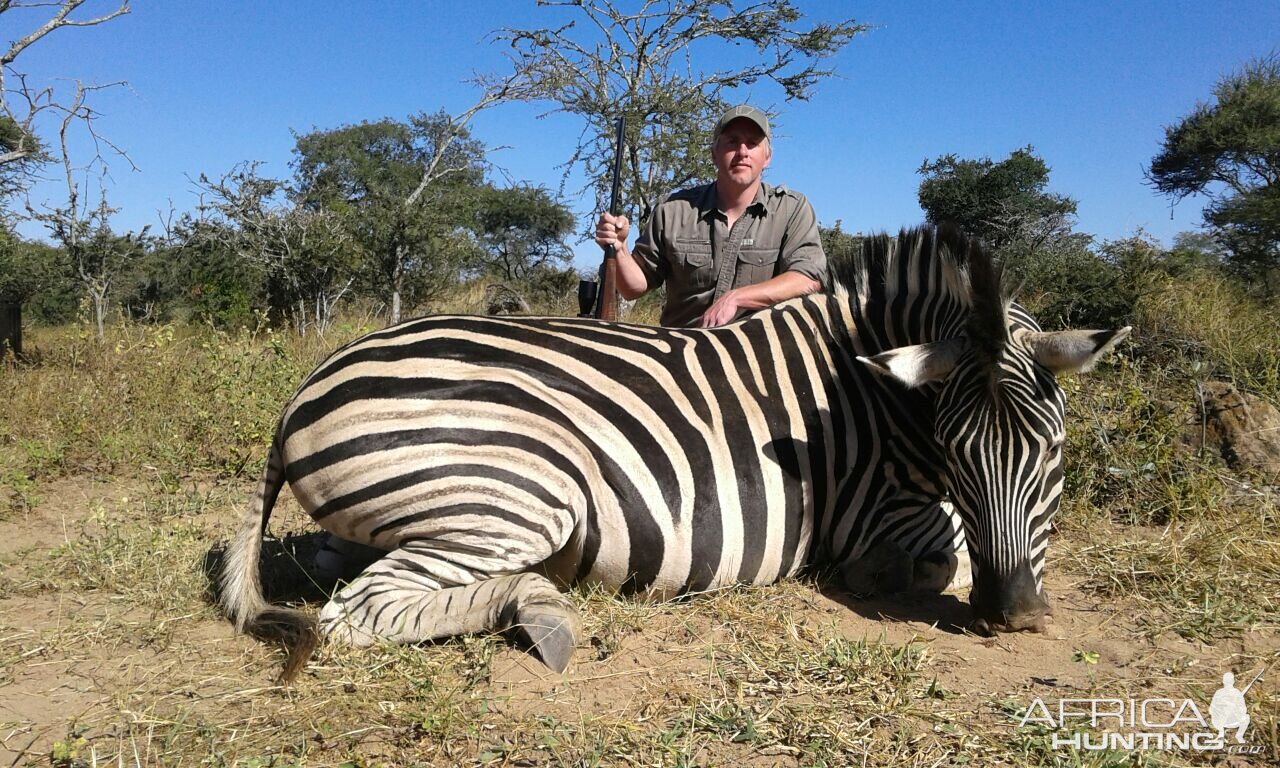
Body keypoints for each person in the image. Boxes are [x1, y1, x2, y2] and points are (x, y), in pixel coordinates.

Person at [594, 104, 827, 328]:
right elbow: (633, 287)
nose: (742, 152)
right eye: (732, 142)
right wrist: (620, 247)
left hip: (757, 356)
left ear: (767, 157)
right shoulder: (673, 209)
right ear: (714, 153)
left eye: (752, 143)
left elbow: (808, 278)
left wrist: (737, 298)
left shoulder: (791, 209)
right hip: (681, 352)